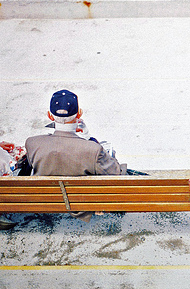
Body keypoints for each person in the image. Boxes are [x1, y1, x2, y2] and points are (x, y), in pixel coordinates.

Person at [25, 89, 123, 222]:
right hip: (81, 205)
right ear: (79, 114)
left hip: (46, 202)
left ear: (50, 115)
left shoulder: (32, 143)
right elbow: (115, 172)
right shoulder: (93, 149)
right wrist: (90, 139)